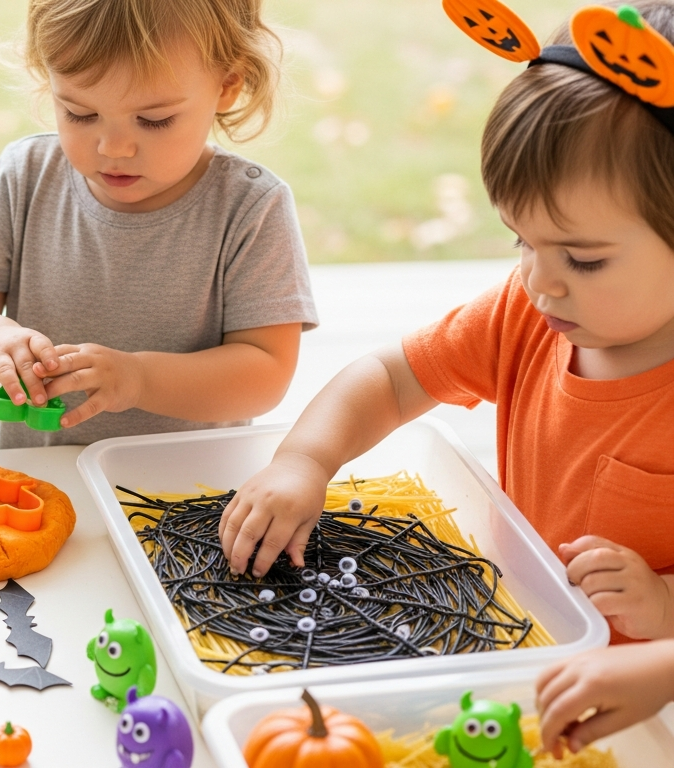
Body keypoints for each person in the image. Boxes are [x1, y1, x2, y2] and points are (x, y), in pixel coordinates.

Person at [213, 0, 674, 755]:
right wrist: (306, 460)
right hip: (518, 657)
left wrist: (664, 610)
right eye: (520, 241)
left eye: (582, 259)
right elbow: (390, 378)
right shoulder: (530, 316)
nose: (539, 283)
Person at [0, 0, 317, 449]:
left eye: (154, 120)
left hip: (179, 497)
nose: (113, 148)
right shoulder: (28, 174)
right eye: (80, 113)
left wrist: (139, 379)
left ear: (227, 84)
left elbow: (265, 373)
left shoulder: (251, 208)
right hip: (30, 483)